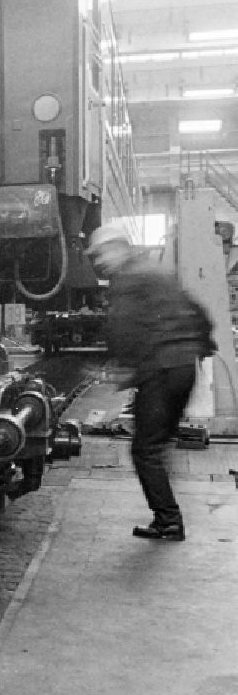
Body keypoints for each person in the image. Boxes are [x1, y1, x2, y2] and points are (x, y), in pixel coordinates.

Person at [87, 223, 216, 543]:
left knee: (145, 450)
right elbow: (199, 312)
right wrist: (199, 348)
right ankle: (166, 512)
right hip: (184, 368)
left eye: (102, 254)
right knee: (157, 443)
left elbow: (123, 327)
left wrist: (124, 366)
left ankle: (168, 521)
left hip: (161, 371)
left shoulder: (127, 279)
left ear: (119, 248)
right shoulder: (157, 272)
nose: (101, 262)